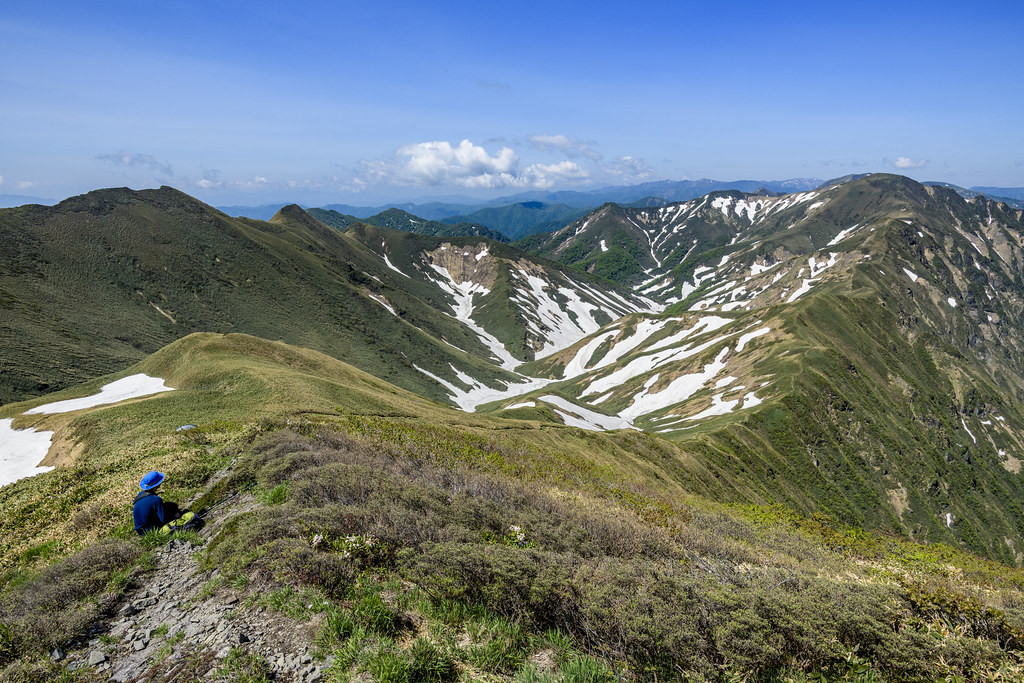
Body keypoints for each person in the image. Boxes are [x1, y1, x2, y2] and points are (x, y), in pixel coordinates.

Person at [133, 470, 183, 534]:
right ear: (157, 485)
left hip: (140, 531)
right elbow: (163, 520)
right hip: (150, 531)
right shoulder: (156, 499)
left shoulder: (140, 495)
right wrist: (176, 516)